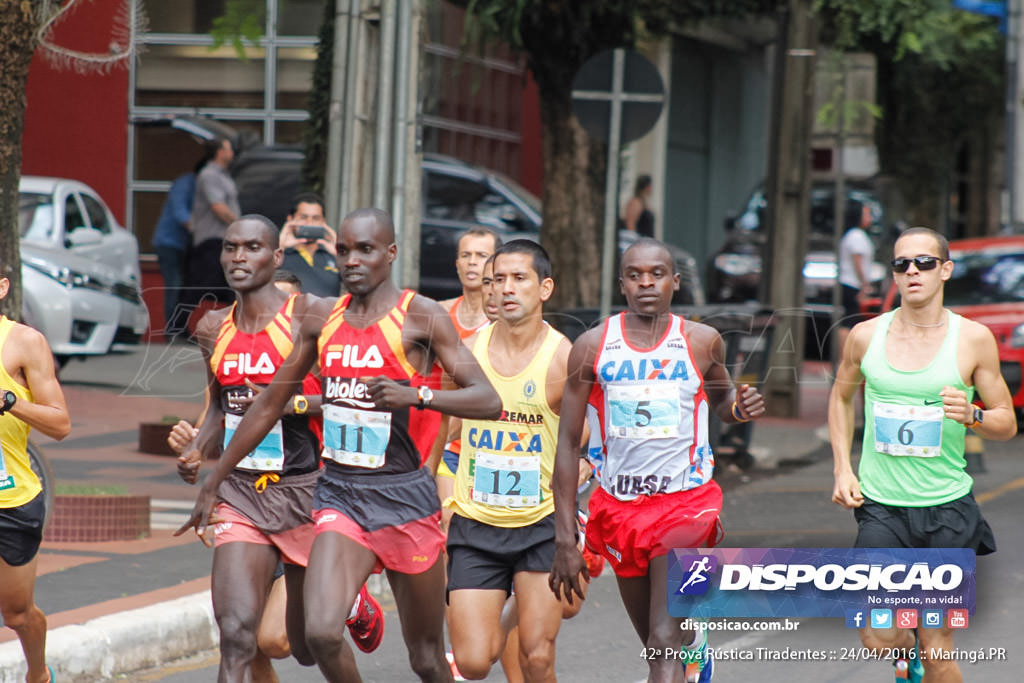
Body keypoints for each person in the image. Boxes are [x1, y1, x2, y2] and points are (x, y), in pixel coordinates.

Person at [178, 207, 502, 682]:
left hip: (404, 497)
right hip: (339, 496)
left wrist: (417, 395)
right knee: (322, 634)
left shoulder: (419, 315)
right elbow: (267, 405)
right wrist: (214, 478)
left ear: (390, 254)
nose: (352, 260)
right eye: (344, 250)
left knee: (427, 658)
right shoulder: (321, 319)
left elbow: (488, 399)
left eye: (365, 250)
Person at [172, 215, 384, 682]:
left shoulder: (308, 317)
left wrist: (295, 403)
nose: (239, 258)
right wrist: (196, 452)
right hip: (242, 493)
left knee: (309, 646)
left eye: (252, 247)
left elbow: (352, 395)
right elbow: (221, 409)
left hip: (307, 490)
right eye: (231, 248)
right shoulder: (211, 327)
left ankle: (349, 602)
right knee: (236, 634)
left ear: (277, 256)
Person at [549, 237, 765, 683]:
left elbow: (723, 404)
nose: (646, 283)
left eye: (657, 274)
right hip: (620, 508)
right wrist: (564, 539)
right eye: (635, 275)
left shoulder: (702, 342)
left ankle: (681, 647)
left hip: (686, 505)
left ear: (675, 282)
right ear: (622, 284)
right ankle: (695, 649)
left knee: (663, 643)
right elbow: (568, 444)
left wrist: (740, 407)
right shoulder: (591, 347)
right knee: (654, 647)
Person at [829, 226, 1016, 682]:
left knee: (939, 653)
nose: (912, 271)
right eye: (901, 264)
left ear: (944, 270)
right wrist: (841, 468)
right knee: (877, 633)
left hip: (948, 510)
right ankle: (905, 649)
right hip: (881, 508)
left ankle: (922, 651)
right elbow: (839, 398)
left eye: (924, 263)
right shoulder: (864, 336)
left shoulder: (972, 339)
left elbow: (1006, 422)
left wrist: (972, 415)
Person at [446, 240, 576, 681]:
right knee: (473, 662)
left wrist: (571, 529)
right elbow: (446, 436)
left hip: (540, 524)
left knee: (537, 657)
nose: (505, 288)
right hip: (475, 522)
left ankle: (529, 590)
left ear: (545, 288)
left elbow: (583, 441)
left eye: (519, 279)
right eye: (497, 279)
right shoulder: (465, 352)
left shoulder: (563, 357)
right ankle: (519, 598)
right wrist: (438, 502)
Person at [0, 259, 71, 683]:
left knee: (17, 612)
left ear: (3, 287)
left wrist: (11, 401)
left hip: (11, 498)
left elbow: (60, 424)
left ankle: (38, 673)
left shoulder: (24, 343)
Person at [185, 136, 240, 312]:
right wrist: (240, 226)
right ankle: (177, 325)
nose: (232, 153)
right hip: (212, 240)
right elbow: (218, 207)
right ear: (220, 153)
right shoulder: (209, 175)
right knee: (202, 285)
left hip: (223, 239)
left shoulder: (223, 175)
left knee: (230, 286)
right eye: (229, 149)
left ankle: (234, 324)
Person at [153, 157, 205, 341]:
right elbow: (180, 212)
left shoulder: (199, 187)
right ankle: (172, 332)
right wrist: (200, 229)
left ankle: (179, 329)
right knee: (174, 285)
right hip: (168, 243)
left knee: (183, 287)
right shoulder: (184, 184)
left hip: (183, 246)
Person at [439, 228, 502, 339]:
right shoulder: (440, 312)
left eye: (482, 255)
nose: (472, 262)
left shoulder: (505, 317)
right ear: (457, 265)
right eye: (465, 255)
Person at [279, 193, 341, 298]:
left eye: (316, 218)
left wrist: (341, 253)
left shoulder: (333, 254)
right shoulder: (280, 255)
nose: (309, 223)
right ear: (290, 219)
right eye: (303, 217)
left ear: (323, 222)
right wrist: (279, 248)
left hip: (330, 314)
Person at [837, 202, 876, 355]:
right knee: (849, 321)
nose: (870, 218)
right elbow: (857, 261)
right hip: (852, 283)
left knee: (850, 320)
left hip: (851, 282)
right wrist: (864, 285)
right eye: (866, 214)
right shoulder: (856, 236)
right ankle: (845, 356)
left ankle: (846, 355)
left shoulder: (854, 235)